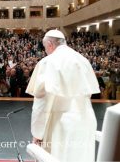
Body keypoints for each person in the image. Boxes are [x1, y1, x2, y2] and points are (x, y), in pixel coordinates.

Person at [26, 30, 100, 162]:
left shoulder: (47, 62)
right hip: (86, 122)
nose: (45, 51)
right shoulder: (83, 60)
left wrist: (37, 133)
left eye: (45, 48)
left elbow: (41, 103)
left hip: (60, 126)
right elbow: (87, 94)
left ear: (49, 44)